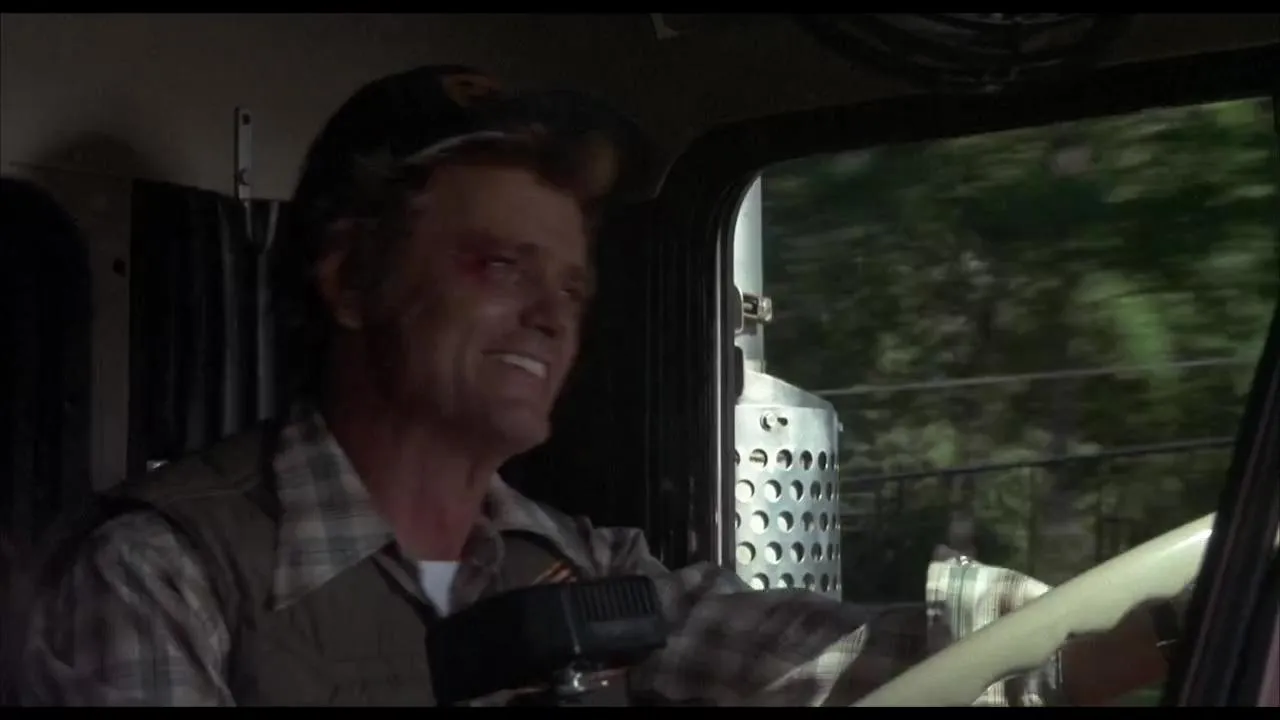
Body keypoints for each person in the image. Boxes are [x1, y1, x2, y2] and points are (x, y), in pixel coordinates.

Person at [20, 65, 1176, 707]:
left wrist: (1093, 646)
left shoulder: (578, 564)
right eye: (498, 266)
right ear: (349, 279)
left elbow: (825, 662)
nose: (550, 313)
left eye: (570, 285)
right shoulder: (161, 572)